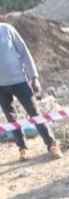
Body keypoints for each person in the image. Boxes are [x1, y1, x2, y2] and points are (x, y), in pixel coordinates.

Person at [0, 22, 63, 161]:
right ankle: (22, 149)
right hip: (1, 87)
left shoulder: (7, 30)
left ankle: (52, 145)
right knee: (12, 119)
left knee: (34, 113)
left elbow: (24, 53)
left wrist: (34, 77)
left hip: (19, 81)